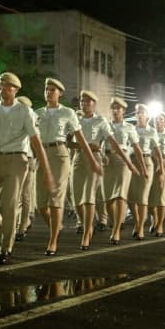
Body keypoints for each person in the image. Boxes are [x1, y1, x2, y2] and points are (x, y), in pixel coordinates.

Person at [0, 72, 54, 264]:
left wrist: (45, 169)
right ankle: (6, 229)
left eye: (6, 86)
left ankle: (6, 247)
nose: (2, 88)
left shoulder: (24, 111)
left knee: (9, 204)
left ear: (15, 89)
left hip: (17, 159)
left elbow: (35, 141)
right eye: (0, 84)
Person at [35, 78, 101, 255]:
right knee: (40, 203)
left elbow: (79, 138)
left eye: (52, 90)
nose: (48, 92)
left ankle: (53, 240)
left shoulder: (68, 113)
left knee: (55, 198)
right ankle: (56, 227)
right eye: (46, 89)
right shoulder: (37, 113)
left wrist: (93, 160)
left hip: (60, 155)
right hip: (42, 155)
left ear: (60, 93)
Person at [73, 91, 137, 249]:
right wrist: (87, 147)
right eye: (83, 101)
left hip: (101, 160)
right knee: (78, 201)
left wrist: (129, 163)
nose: (85, 104)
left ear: (94, 104)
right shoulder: (75, 119)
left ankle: (109, 230)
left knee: (112, 196)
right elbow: (69, 142)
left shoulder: (101, 121)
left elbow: (113, 142)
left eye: (89, 101)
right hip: (80, 159)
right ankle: (90, 224)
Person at [103, 97, 143, 243]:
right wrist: (102, 156)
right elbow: (98, 143)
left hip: (123, 161)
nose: (115, 110)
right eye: (113, 108)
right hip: (107, 161)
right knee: (108, 200)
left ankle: (116, 231)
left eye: (118, 108)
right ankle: (117, 223)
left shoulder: (129, 127)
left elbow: (137, 148)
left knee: (120, 196)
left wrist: (142, 167)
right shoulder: (105, 125)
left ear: (123, 111)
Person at [128, 103, 161, 240]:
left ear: (147, 115)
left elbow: (157, 151)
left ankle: (141, 228)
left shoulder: (152, 131)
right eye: (137, 112)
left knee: (142, 197)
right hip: (132, 162)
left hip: (147, 163)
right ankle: (137, 221)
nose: (139, 115)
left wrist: (162, 170)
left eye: (142, 112)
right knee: (130, 198)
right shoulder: (130, 129)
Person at [15, 95, 38, 240]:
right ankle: (17, 224)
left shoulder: (32, 118)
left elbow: (36, 140)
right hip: (14, 157)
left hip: (27, 158)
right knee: (15, 195)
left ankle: (22, 225)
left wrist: (34, 161)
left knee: (25, 195)